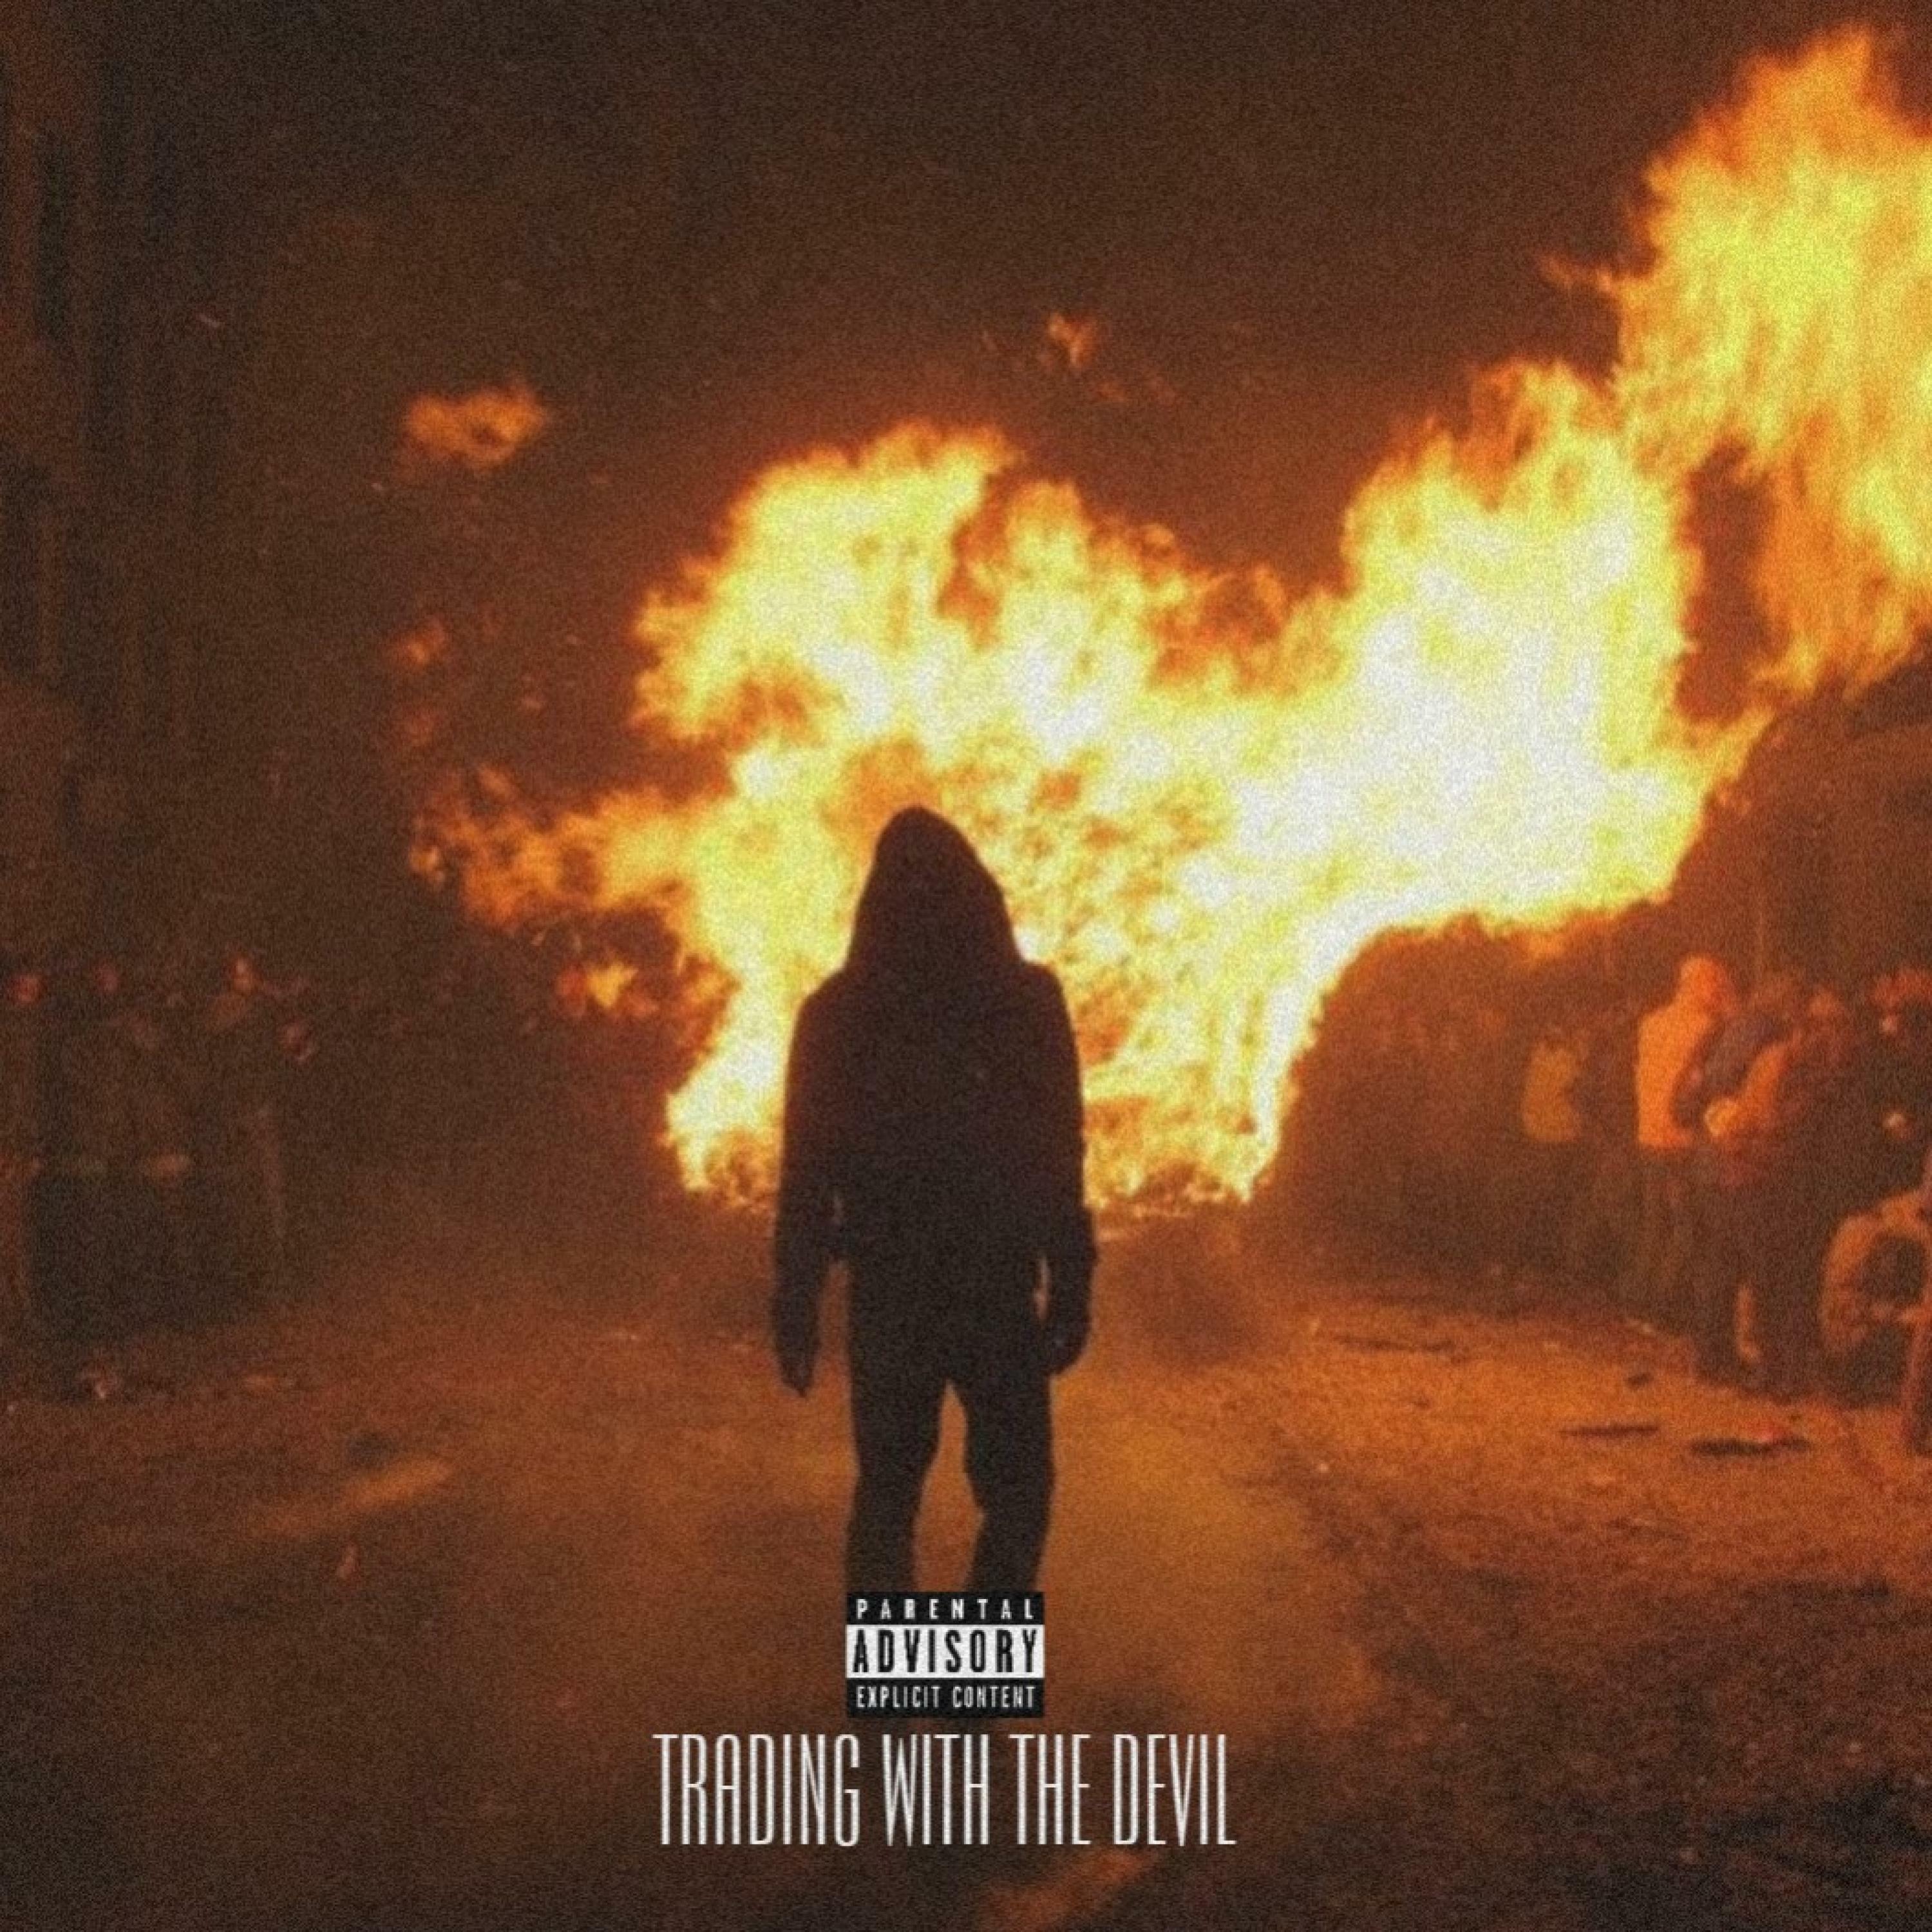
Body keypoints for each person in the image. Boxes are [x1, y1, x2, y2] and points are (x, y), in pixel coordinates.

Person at [772, 808, 1097, 1593]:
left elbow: (807, 1172)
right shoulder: (1026, 1002)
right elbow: (1058, 1153)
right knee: (1017, 1493)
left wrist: (797, 1300)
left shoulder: (835, 1014)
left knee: (888, 1494)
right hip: (994, 1287)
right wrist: (1071, 1281)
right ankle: (971, 1668)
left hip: (892, 1292)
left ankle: (906, 1673)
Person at [1622, 956, 1737, 1327]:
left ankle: (1638, 1304)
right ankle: (1662, 1309)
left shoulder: (1650, 1023)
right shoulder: (1705, 1027)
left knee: (1654, 1226)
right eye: (1713, 983)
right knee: (1686, 1229)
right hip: (1681, 1141)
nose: (1717, 990)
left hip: (1648, 1137)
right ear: (1695, 985)